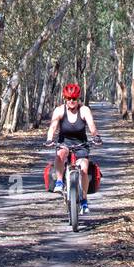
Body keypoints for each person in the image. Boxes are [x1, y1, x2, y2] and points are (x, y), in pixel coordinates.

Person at [45, 82, 101, 213]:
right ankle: (59, 182)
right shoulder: (59, 110)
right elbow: (52, 127)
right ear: (65, 98)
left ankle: (84, 200)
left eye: (74, 99)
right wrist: (49, 139)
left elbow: (92, 126)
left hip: (81, 145)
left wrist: (96, 136)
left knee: (84, 168)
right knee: (60, 154)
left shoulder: (84, 110)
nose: (72, 101)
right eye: (69, 99)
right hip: (64, 143)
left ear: (78, 99)